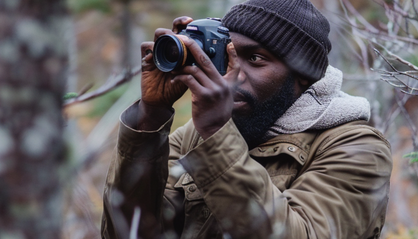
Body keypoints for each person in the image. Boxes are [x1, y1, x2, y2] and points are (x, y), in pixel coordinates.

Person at [101, 0, 392, 238]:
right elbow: (131, 232)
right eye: (228, 56)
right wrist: (151, 118)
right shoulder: (194, 136)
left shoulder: (358, 148)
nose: (234, 74)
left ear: (304, 75)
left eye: (255, 59)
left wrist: (217, 133)